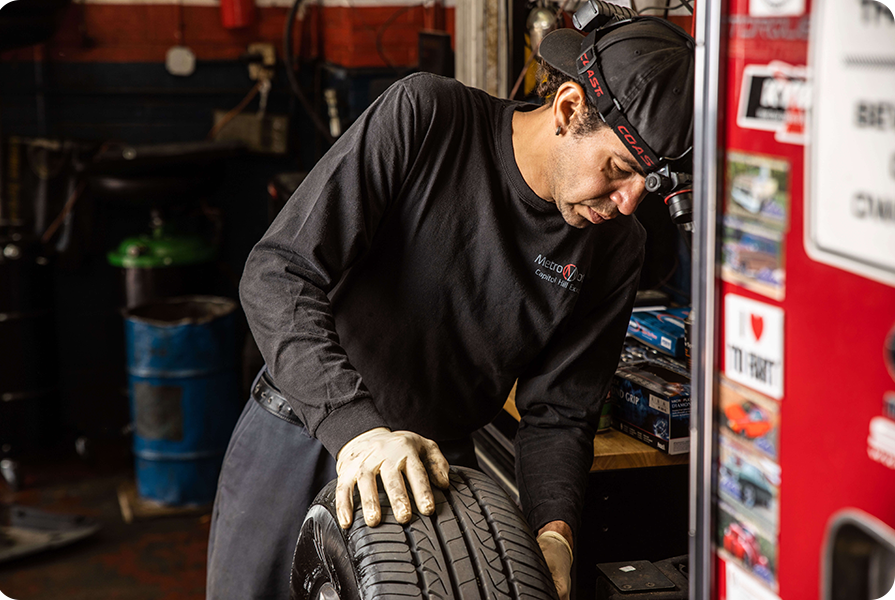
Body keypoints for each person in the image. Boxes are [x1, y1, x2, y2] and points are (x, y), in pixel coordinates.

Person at [206, 16, 694, 600]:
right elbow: (278, 271)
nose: (626, 202)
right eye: (618, 168)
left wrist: (554, 533)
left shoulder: (618, 246)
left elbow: (560, 413)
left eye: (647, 183)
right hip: (304, 429)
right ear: (568, 109)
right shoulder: (427, 118)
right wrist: (358, 431)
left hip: (430, 477)